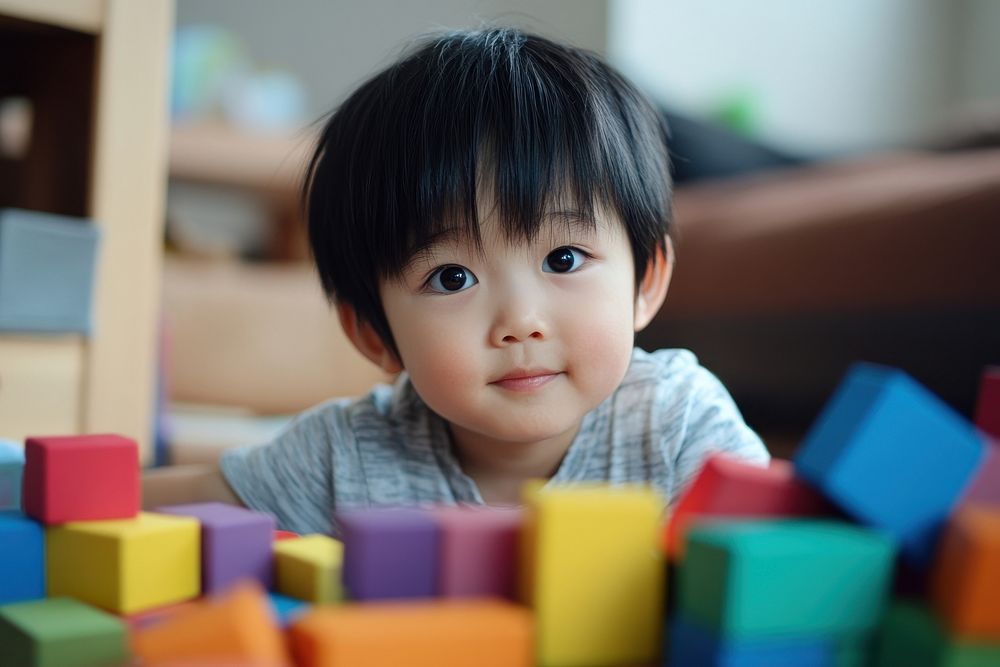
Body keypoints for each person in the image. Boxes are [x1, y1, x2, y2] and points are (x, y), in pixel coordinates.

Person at [144, 27, 768, 535]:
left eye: (564, 260)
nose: (521, 320)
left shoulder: (679, 426)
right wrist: (53, 480)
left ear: (647, 282)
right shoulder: (346, 456)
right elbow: (193, 495)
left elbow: (774, 565)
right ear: (373, 335)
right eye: (452, 277)